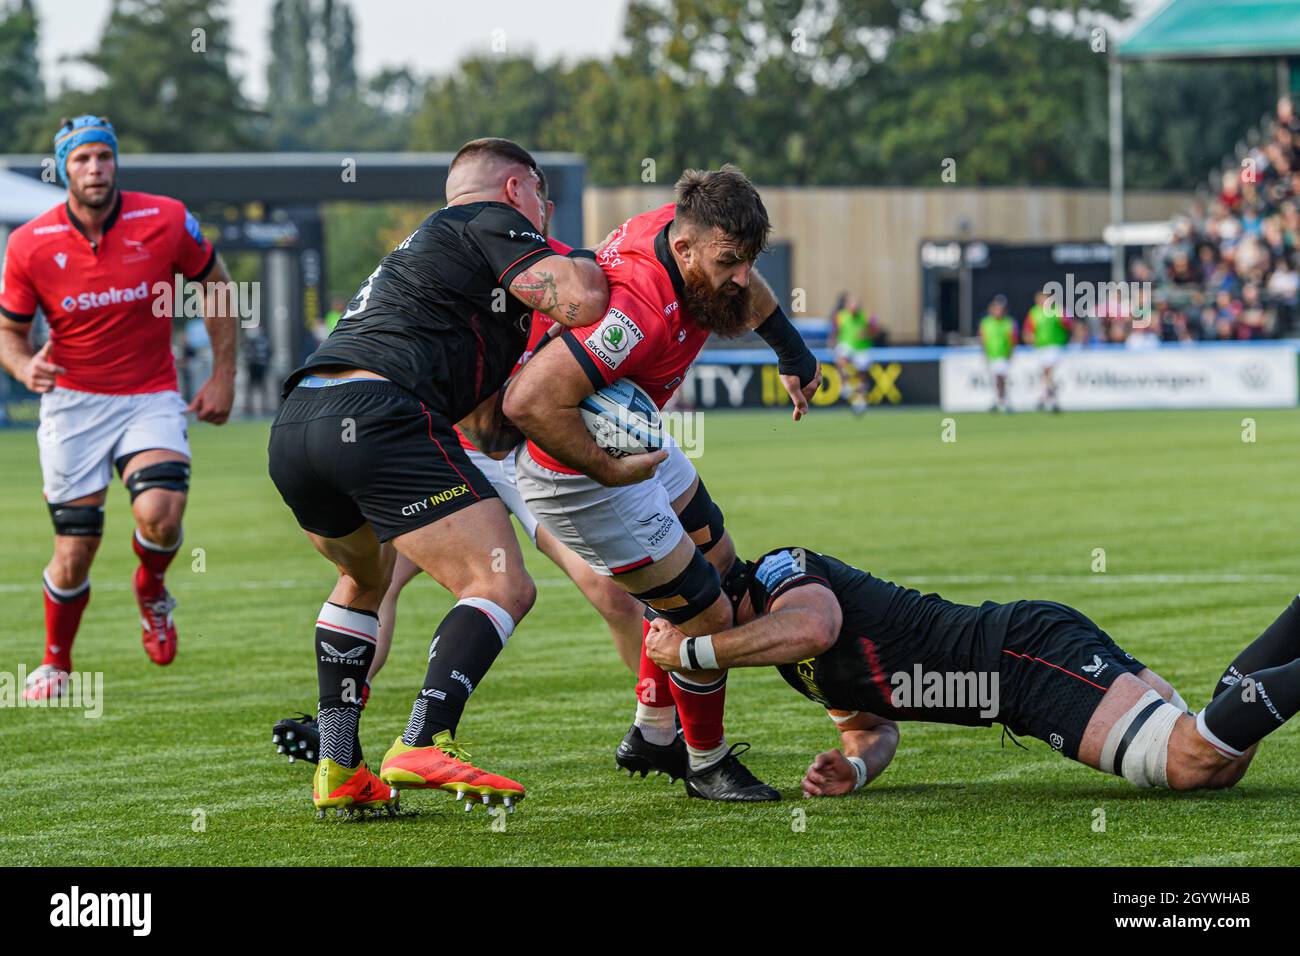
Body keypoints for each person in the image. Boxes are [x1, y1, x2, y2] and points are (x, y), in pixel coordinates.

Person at [266, 138, 615, 818]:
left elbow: (488, 428)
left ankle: (340, 765)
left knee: (364, 582)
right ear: (517, 188)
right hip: (378, 415)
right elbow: (582, 299)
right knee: (501, 583)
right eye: (541, 196)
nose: (543, 211)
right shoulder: (491, 219)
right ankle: (423, 739)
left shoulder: (435, 258)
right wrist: (589, 261)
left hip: (300, 422)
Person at [506, 165, 822, 801]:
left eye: (748, 261)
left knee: (719, 561)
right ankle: (706, 764)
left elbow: (741, 277)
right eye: (728, 263)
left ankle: (653, 730)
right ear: (684, 248)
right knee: (706, 611)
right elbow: (529, 402)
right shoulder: (636, 309)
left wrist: (793, 352)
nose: (741, 277)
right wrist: (611, 474)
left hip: (630, 435)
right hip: (579, 474)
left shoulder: (690, 232)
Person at [645, 547, 1295, 796]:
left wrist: (691, 655)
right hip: (1025, 657)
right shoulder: (793, 664)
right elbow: (870, 729)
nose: (687, 628)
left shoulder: (780, 571)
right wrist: (858, 768)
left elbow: (817, 626)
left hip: (1019, 659)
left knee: (1189, 762)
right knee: (1220, 763)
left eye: (689, 615)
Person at [0, 115, 235, 699]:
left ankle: (151, 589)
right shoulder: (29, 243)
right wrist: (23, 367)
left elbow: (216, 285)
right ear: (64, 169)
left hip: (148, 396)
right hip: (72, 406)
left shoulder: (165, 218)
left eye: (103, 156)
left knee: (161, 514)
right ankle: (56, 663)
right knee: (75, 550)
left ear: (115, 162)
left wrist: (223, 376)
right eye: (82, 159)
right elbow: (8, 333)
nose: (95, 168)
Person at [1022, 290, 1069, 413]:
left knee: (1049, 370)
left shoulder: (1057, 310)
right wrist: (1030, 338)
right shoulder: (1034, 312)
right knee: (1047, 373)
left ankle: (1042, 395)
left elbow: (1068, 324)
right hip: (1040, 347)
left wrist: (1064, 319)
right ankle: (1052, 400)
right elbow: (1028, 330)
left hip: (1055, 345)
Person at [829, 295, 875, 414]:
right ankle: (845, 383)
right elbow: (836, 331)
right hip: (847, 345)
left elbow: (874, 330)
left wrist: (866, 333)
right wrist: (832, 341)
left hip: (861, 349)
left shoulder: (865, 316)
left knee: (861, 376)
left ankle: (860, 400)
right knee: (841, 357)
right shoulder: (841, 316)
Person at [978, 295, 1016, 413]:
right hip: (991, 355)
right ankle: (1000, 400)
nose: (998, 311)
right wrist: (984, 353)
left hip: (1003, 355)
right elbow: (983, 339)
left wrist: (1010, 353)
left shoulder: (1008, 322)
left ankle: (1001, 400)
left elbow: (1013, 340)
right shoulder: (986, 322)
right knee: (996, 379)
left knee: (1000, 378)